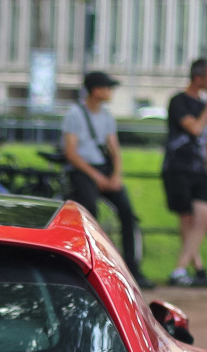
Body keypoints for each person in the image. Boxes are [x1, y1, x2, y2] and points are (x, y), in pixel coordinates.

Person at [61, 71, 154, 290]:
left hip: (104, 170)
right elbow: (71, 153)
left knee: (127, 213)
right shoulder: (75, 114)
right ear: (95, 90)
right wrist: (96, 177)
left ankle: (132, 267)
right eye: (107, 87)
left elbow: (114, 149)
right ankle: (90, 265)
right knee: (89, 212)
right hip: (83, 170)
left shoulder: (106, 116)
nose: (110, 92)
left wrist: (116, 175)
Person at [162, 59, 207, 288]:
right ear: (198, 78)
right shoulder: (179, 102)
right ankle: (196, 269)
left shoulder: (206, 105)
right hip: (178, 166)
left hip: (199, 171)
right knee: (186, 219)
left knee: (204, 218)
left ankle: (180, 268)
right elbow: (195, 129)